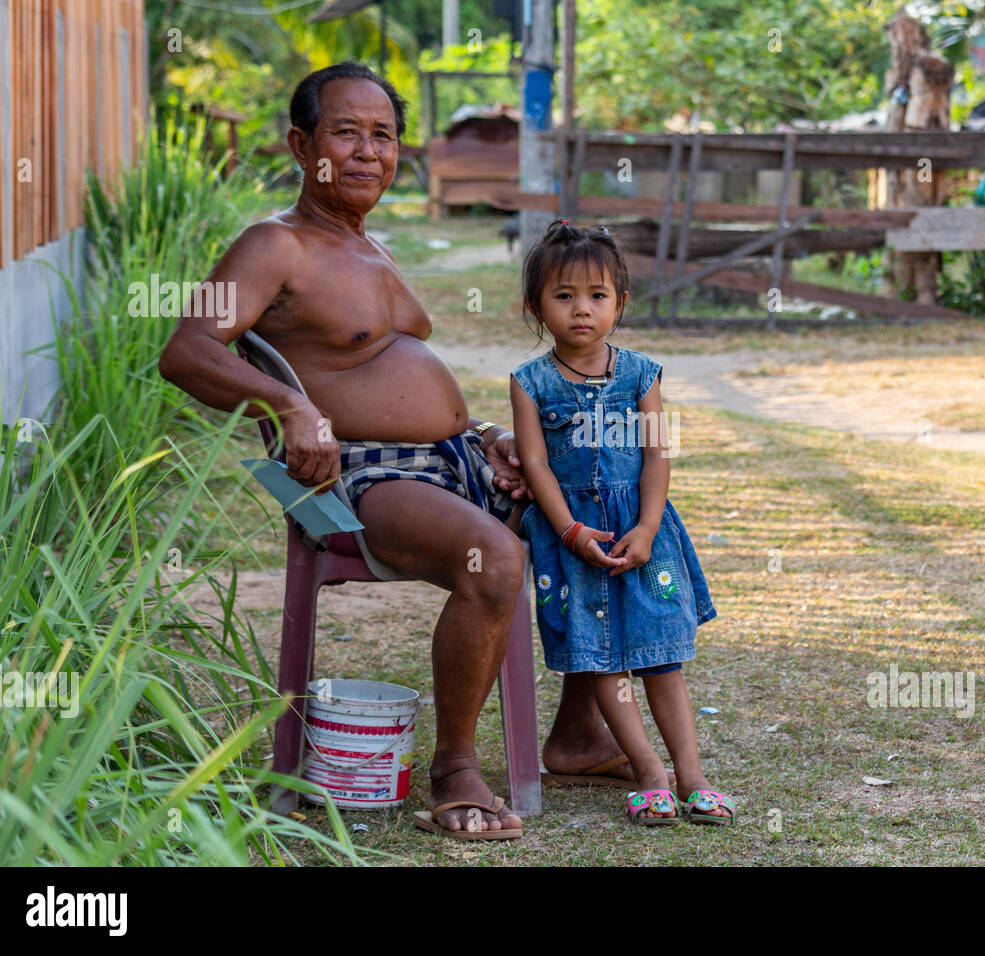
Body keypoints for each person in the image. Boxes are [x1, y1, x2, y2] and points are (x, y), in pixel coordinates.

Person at [158, 63, 644, 840]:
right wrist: (289, 405)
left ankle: (579, 735)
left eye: (382, 135)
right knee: (493, 555)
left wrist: (484, 435)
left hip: (449, 461)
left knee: (607, 515)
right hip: (362, 474)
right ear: (300, 143)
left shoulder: (370, 245)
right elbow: (185, 349)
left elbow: (394, 376)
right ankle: (455, 770)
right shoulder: (273, 245)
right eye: (344, 132)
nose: (366, 151)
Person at [509, 221, 734, 825]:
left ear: (620, 302)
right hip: (574, 541)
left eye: (597, 295)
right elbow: (535, 466)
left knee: (661, 653)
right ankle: (650, 773)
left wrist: (648, 525)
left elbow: (658, 453)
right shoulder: (528, 383)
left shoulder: (643, 375)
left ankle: (692, 774)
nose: (582, 309)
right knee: (602, 658)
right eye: (563, 296)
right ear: (536, 306)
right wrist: (571, 533)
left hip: (643, 530)